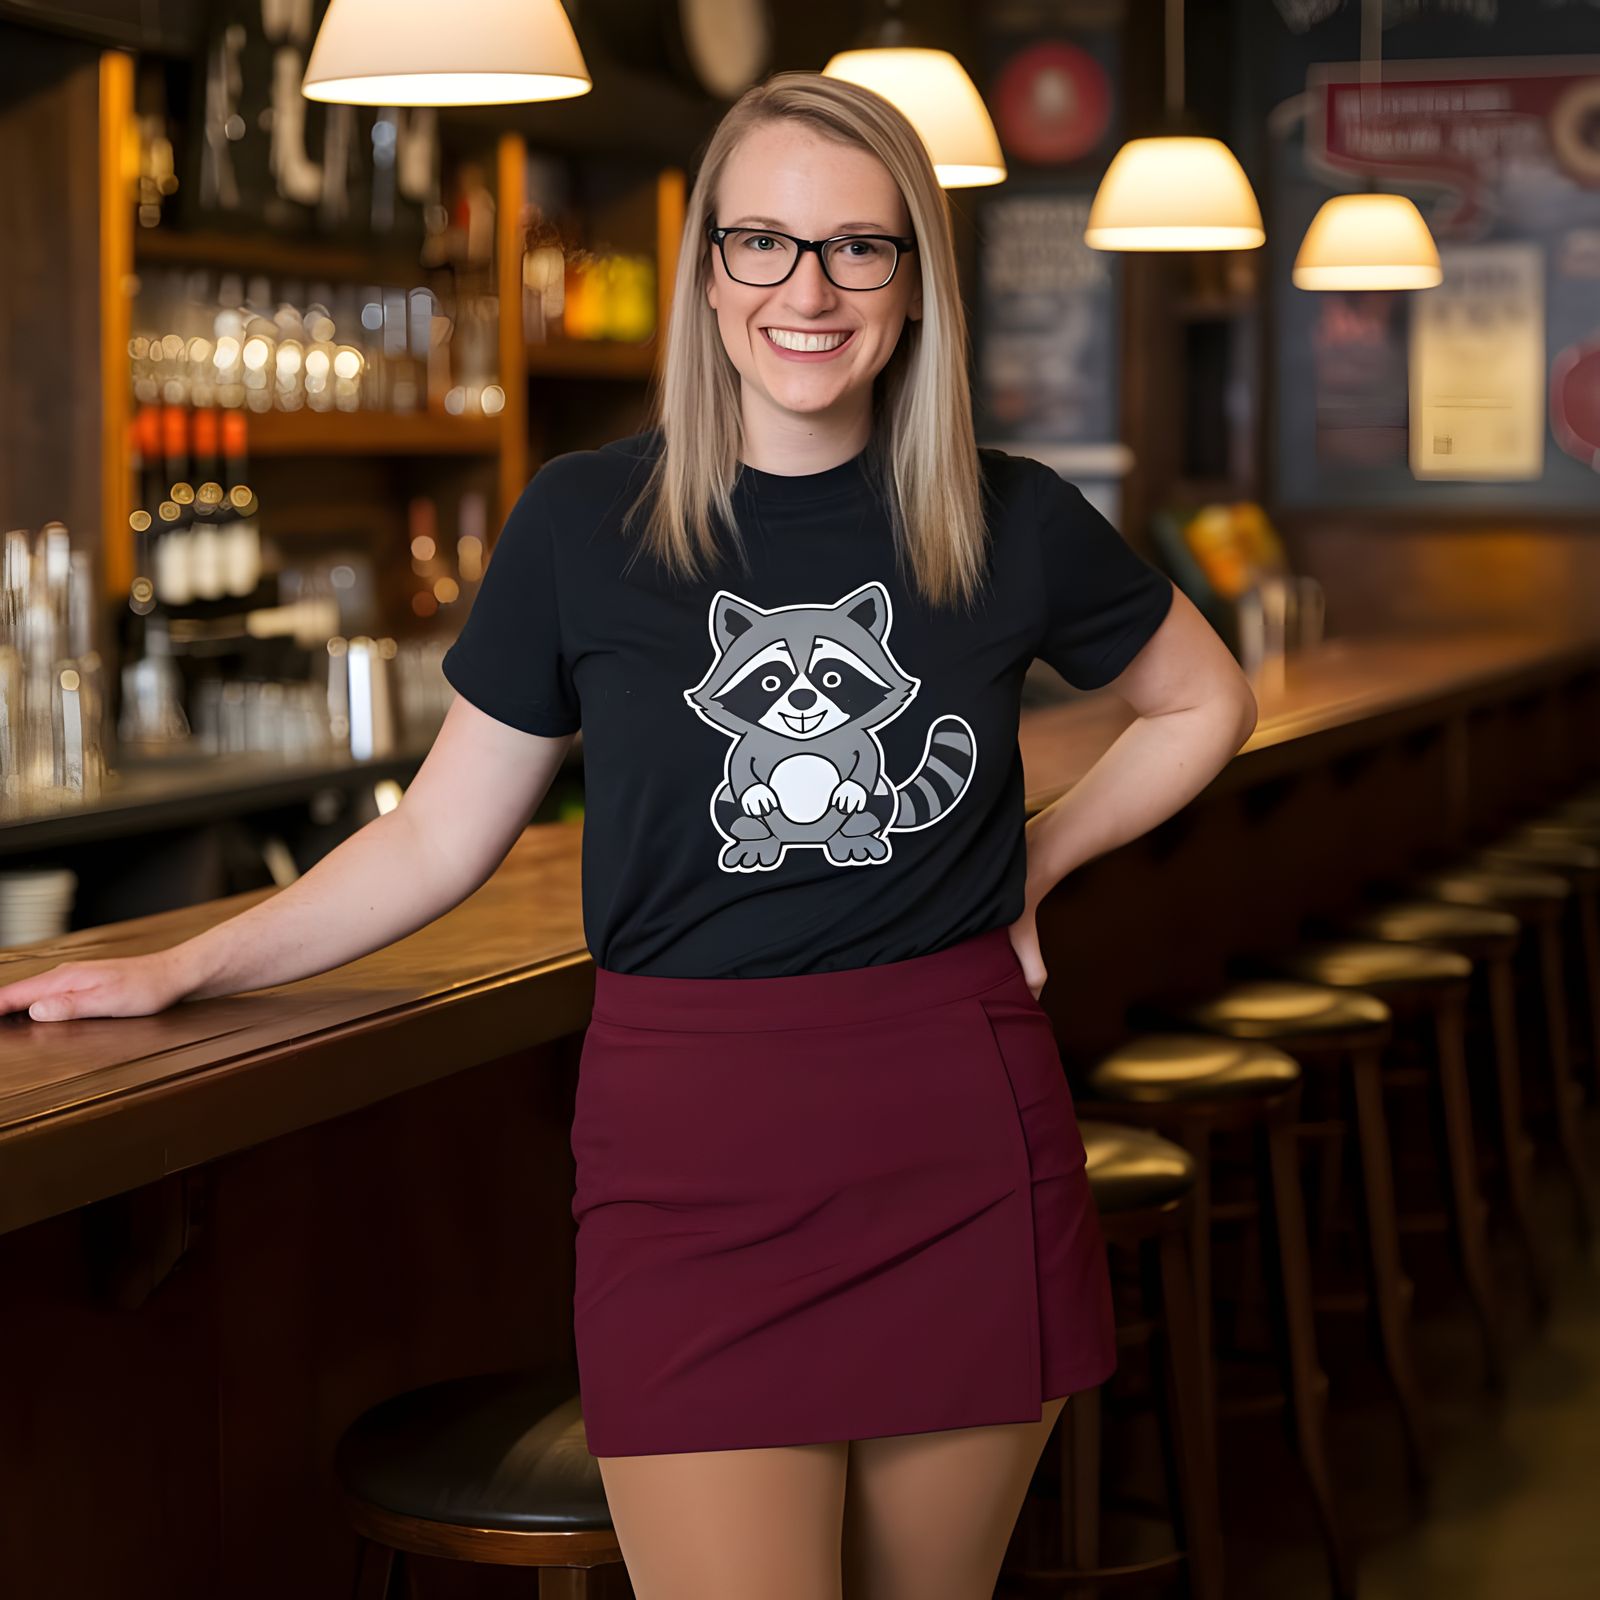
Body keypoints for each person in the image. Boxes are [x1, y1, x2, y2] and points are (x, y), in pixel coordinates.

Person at [0, 71, 1256, 1600]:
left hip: (955, 1131)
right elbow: (438, 838)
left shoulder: (1008, 516)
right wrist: (181, 966)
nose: (809, 288)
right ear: (705, 272)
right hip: (688, 1152)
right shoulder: (584, 523)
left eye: (861, 247)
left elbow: (1203, 702)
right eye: (762, 243)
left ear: (917, 279)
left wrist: (1034, 860)